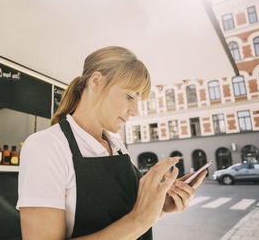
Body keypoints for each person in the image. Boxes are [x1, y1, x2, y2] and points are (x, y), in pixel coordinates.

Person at [16, 46, 207, 240]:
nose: (135, 110)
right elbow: (134, 222)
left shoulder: (117, 146)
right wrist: (140, 219)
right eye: (130, 96)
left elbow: (125, 226)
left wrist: (160, 208)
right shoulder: (46, 146)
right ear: (97, 81)